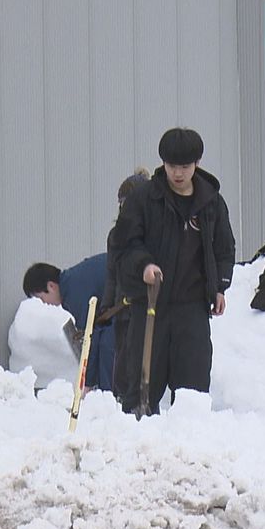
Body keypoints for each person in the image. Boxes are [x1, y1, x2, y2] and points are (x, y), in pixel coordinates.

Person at [109, 128, 236, 415]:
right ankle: (139, 444)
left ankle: (189, 449)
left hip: (192, 308)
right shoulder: (143, 199)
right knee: (141, 388)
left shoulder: (211, 202)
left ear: (197, 164)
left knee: (193, 388)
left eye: (185, 166)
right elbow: (124, 245)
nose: (178, 173)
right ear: (162, 163)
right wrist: (144, 265)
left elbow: (224, 249)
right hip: (150, 305)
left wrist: (220, 287)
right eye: (171, 166)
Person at [23, 256, 116, 392]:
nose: (43, 303)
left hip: (132, 301)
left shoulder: (75, 293)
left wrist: (88, 383)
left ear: (51, 286)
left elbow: (90, 336)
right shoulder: (72, 283)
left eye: (41, 297)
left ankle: (110, 400)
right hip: (118, 304)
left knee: (106, 345)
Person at [104, 168, 151, 402]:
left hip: (147, 307)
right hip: (122, 308)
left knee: (144, 360)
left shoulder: (155, 232)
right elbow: (112, 272)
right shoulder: (116, 235)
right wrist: (107, 304)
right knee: (123, 360)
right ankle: (123, 400)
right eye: (122, 204)